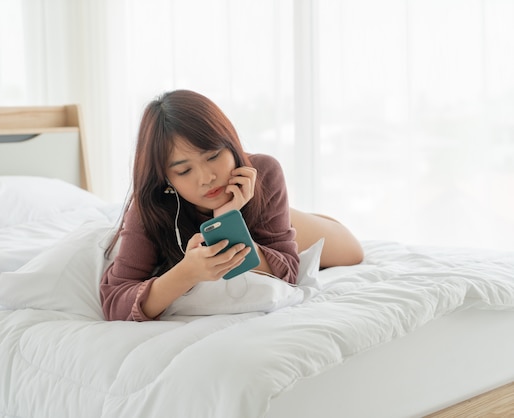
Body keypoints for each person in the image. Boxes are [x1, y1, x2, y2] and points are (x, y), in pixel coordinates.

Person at [100, 89, 363, 321]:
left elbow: (289, 275)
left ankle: (291, 218)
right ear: (165, 178)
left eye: (213, 156)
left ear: (231, 144)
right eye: (184, 170)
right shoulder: (150, 204)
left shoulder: (262, 172)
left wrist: (226, 221)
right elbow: (114, 302)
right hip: (254, 231)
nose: (207, 178)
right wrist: (186, 273)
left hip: (262, 213)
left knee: (353, 253)